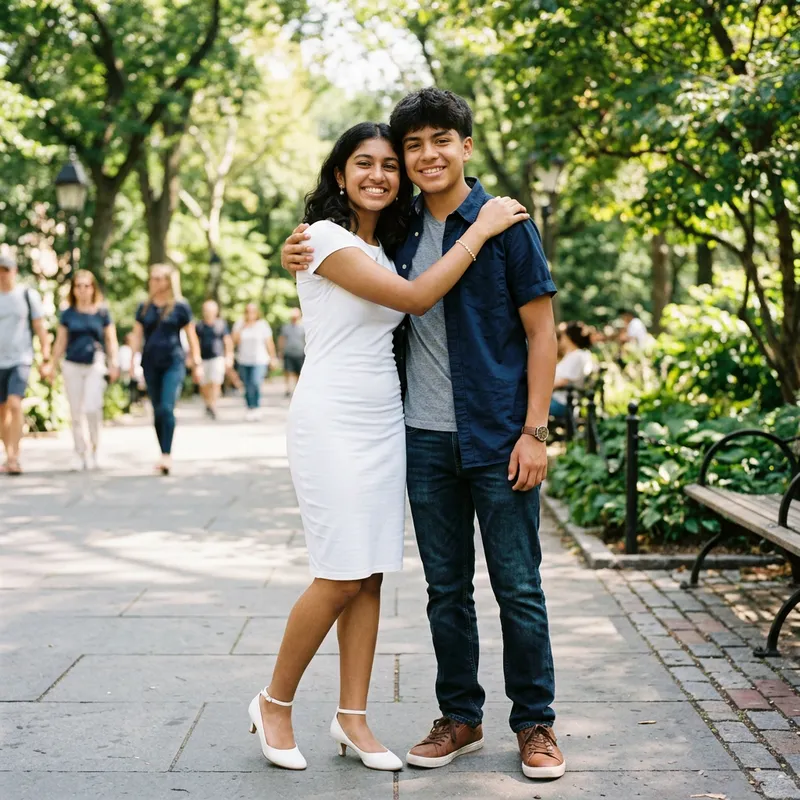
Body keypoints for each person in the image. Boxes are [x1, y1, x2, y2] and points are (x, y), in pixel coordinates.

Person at [282, 89, 565, 780]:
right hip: (421, 437)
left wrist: (534, 431)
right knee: (446, 590)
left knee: (518, 587)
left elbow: (542, 333)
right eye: (413, 146)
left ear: (465, 146)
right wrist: (298, 245)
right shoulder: (400, 231)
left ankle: (535, 724)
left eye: (441, 140)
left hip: (498, 435)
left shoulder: (507, 224)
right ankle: (460, 717)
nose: (426, 155)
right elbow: (354, 275)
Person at [131, 263, 202, 475]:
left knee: (166, 407)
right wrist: (132, 361)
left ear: (168, 281)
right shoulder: (144, 307)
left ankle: (167, 454)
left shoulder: (180, 306)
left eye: (158, 278)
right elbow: (137, 335)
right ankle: (162, 451)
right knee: (157, 409)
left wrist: (196, 363)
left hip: (174, 362)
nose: (154, 282)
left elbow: (191, 335)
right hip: (150, 362)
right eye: (152, 278)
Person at [50, 270, 120, 470]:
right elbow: (61, 341)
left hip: (95, 363)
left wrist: (114, 363)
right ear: (73, 290)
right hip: (72, 364)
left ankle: (96, 449)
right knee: (75, 411)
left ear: (93, 288)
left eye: (86, 286)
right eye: (78, 286)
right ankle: (79, 453)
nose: (82, 290)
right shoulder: (68, 314)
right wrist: (52, 365)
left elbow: (110, 340)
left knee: (92, 407)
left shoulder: (102, 312)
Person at [0, 253, 51, 475]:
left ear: (14, 271)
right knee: (2, 411)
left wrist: (46, 358)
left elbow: (40, 327)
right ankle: (8, 453)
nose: (2, 275)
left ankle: (14, 457)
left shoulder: (26, 295)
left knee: (14, 404)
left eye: (6, 270)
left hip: (21, 359)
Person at [232, 303, 276, 420]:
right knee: (246, 385)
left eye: (252, 311)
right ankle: (249, 407)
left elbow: (269, 342)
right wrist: (242, 328)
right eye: (247, 311)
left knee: (255, 382)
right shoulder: (239, 324)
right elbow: (234, 341)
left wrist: (273, 358)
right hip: (243, 360)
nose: (250, 314)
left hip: (259, 360)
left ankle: (256, 407)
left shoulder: (262, 325)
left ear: (257, 313)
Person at [195, 299, 233, 420]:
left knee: (216, 382)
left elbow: (227, 341)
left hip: (218, 357)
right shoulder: (199, 325)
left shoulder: (221, 324)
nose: (208, 312)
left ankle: (213, 405)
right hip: (202, 359)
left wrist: (229, 356)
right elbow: (195, 342)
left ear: (215, 311)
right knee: (204, 384)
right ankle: (208, 403)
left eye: (210, 310)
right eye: (206, 310)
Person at [549, 322, 595, 418]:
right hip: (564, 400)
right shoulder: (579, 354)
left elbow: (562, 382)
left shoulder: (576, 356)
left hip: (562, 403)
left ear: (568, 337)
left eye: (563, 335)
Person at [278, 308, 306, 397]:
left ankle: (297, 389)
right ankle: (288, 389)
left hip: (300, 353)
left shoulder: (303, 327)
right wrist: (280, 350)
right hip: (288, 352)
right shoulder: (286, 327)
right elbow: (282, 339)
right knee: (288, 371)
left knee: (299, 372)